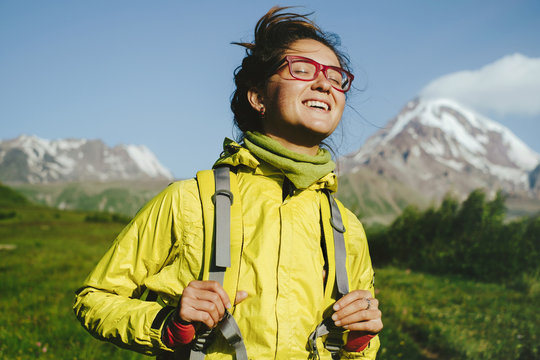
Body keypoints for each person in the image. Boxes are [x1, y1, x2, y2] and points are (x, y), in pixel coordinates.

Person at [74, 6, 383, 359]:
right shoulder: (188, 201)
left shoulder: (346, 228)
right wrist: (168, 325)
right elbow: (94, 299)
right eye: (302, 69)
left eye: (335, 75)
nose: (324, 83)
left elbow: (356, 350)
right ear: (258, 97)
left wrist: (359, 340)